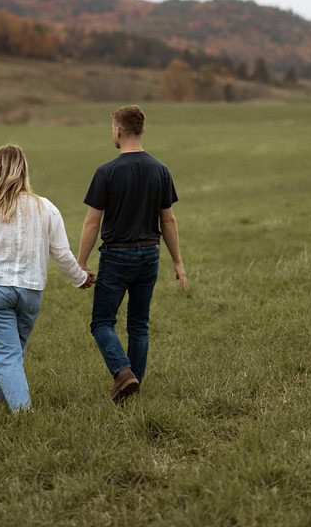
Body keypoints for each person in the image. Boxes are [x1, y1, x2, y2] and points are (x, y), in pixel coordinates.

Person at [0, 144, 94, 412]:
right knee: (12, 351)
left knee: (7, 353)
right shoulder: (46, 208)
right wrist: (79, 278)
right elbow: (61, 253)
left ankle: (23, 413)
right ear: (24, 171)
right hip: (31, 292)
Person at [78, 105, 189, 404]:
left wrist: (81, 263)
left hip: (117, 256)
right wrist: (178, 262)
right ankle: (132, 384)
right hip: (150, 255)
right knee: (139, 323)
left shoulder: (107, 172)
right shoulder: (160, 170)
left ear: (117, 130)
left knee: (101, 322)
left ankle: (123, 373)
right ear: (142, 129)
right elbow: (168, 220)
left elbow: (92, 222)